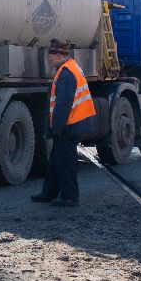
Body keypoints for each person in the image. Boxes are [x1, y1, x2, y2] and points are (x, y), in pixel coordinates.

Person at [33, 39, 95, 207]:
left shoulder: (66, 73)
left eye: (51, 56)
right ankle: (49, 192)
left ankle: (70, 196)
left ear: (60, 56)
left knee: (66, 161)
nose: (49, 59)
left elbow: (63, 105)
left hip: (70, 124)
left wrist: (56, 129)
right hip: (73, 122)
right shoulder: (68, 68)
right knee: (55, 159)